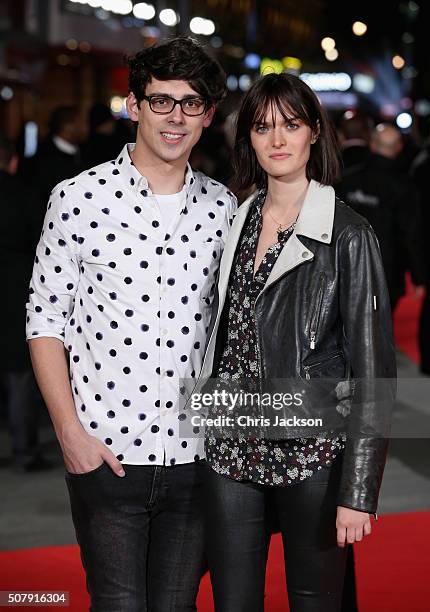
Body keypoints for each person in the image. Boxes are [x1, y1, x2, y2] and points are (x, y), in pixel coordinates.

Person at [26, 37, 235, 611]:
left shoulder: (223, 208)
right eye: (161, 100)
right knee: (118, 604)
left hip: (196, 456)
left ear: (208, 116)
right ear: (134, 105)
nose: (176, 117)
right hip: (107, 452)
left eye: (191, 103)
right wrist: (70, 433)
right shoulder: (76, 198)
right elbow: (45, 320)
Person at [196, 73, 396, 611]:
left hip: (313, 453)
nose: (277, 139)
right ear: (248, 140)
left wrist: (358, 492)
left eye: (291, 124)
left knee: (316, 602)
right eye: (262, 127)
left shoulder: (348, 233)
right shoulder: (234, 221)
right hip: (230, 446)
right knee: (233, 601)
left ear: (313, 134)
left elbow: (373, 372)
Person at [0, 137, 50, 471]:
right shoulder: (24, 195)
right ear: (13, 161)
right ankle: (24, 450)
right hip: (14, 287)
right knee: (19, 374)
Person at [337, 123, 425, 311]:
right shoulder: (403, 186)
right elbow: (410, 233)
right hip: (387, 270)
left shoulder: (347, 180)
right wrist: (418, 277)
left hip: (348, 264)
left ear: (373, 144)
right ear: (398, 147)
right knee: (380, 326)